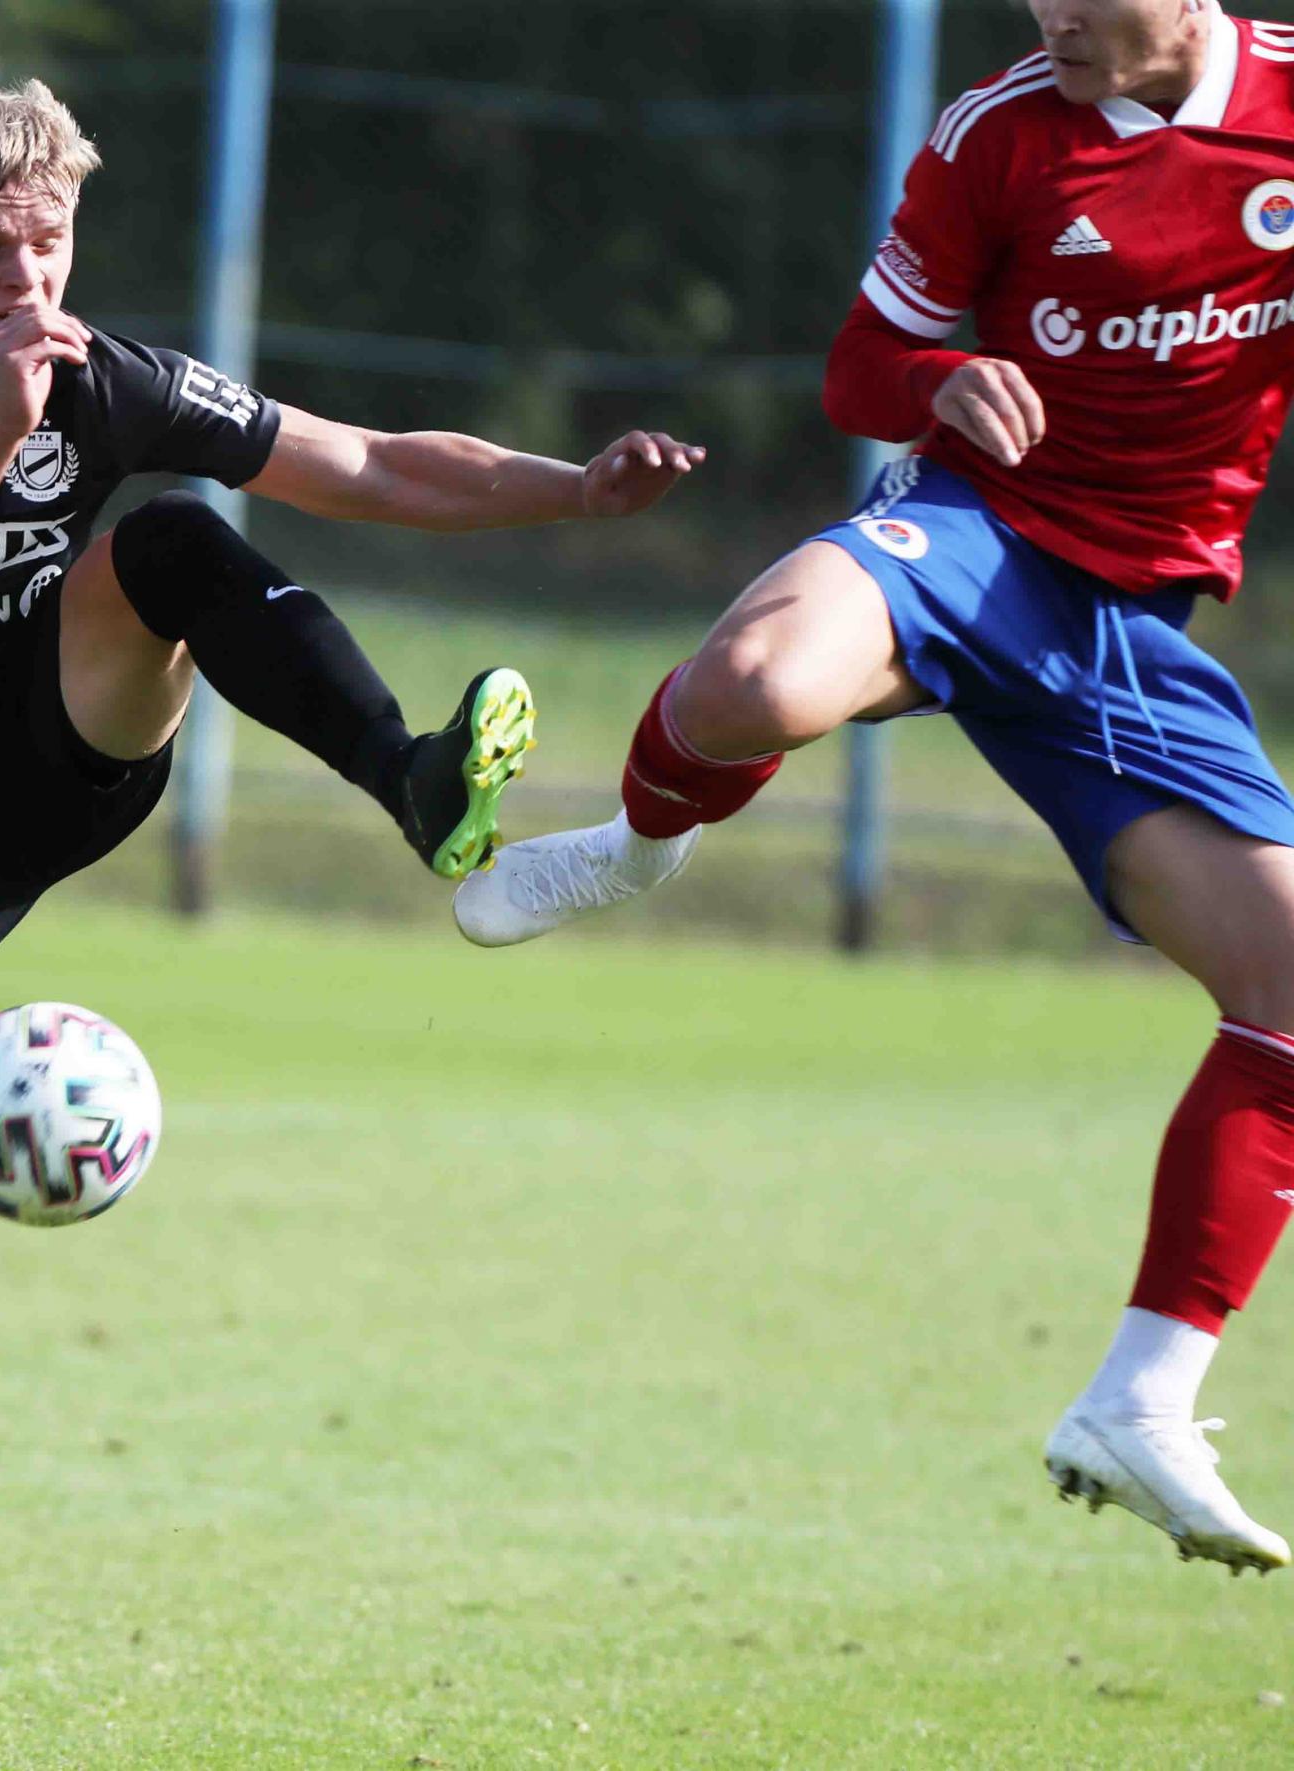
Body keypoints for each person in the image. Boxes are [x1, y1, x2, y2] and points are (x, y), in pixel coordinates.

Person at [0, 81, 704, 1700]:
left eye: (48, 241)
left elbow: (368, 463)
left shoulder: (105, 375)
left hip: (59, 744)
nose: (26, 276)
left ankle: (415, 785)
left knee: (169, 538)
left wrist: (574, 486)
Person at [457, 0, 1294, 1576]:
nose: (1050, 17)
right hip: (977, 540)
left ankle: (1140, 1400)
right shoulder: (1002, 131)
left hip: (1133, 628)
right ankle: (637, 846)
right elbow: (861, 366)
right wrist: (944, 380)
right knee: (753, 684)